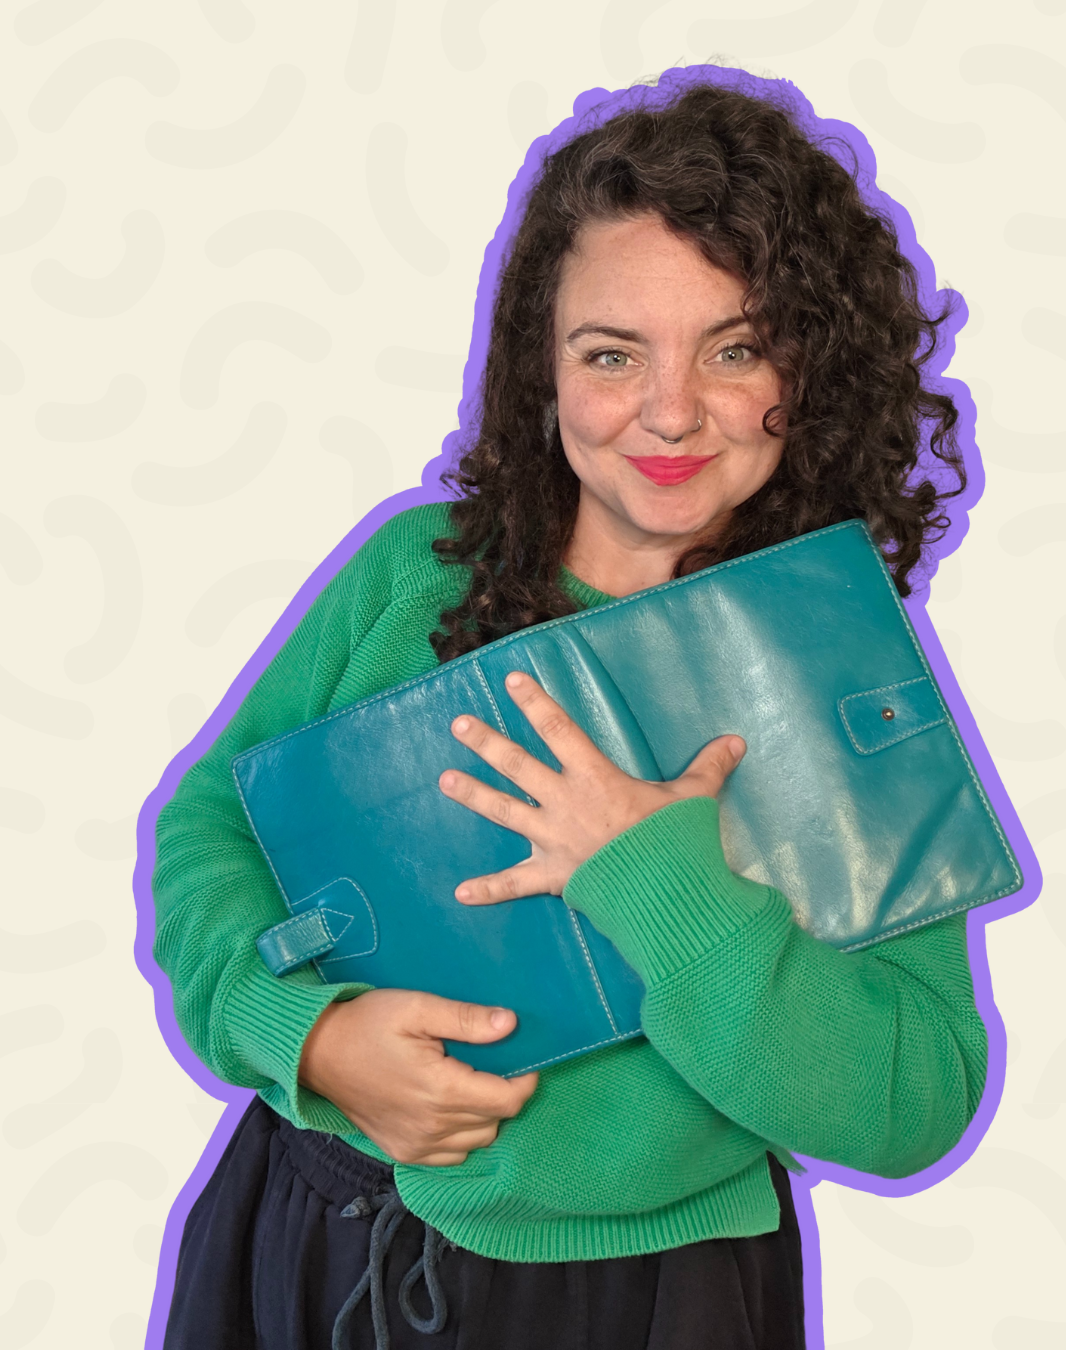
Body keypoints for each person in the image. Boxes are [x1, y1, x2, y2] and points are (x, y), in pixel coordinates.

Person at [151, 70, 986, 1350]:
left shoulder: (843, 671)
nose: (670, 410)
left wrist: (660, 877)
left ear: (811, 367)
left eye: (736, 348)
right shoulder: (416, 570)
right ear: (543, 370)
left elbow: (914, 1099)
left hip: (652, 1297)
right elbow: (212, 826)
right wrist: (304, 1039)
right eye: (612, 354)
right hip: (313, 1232)